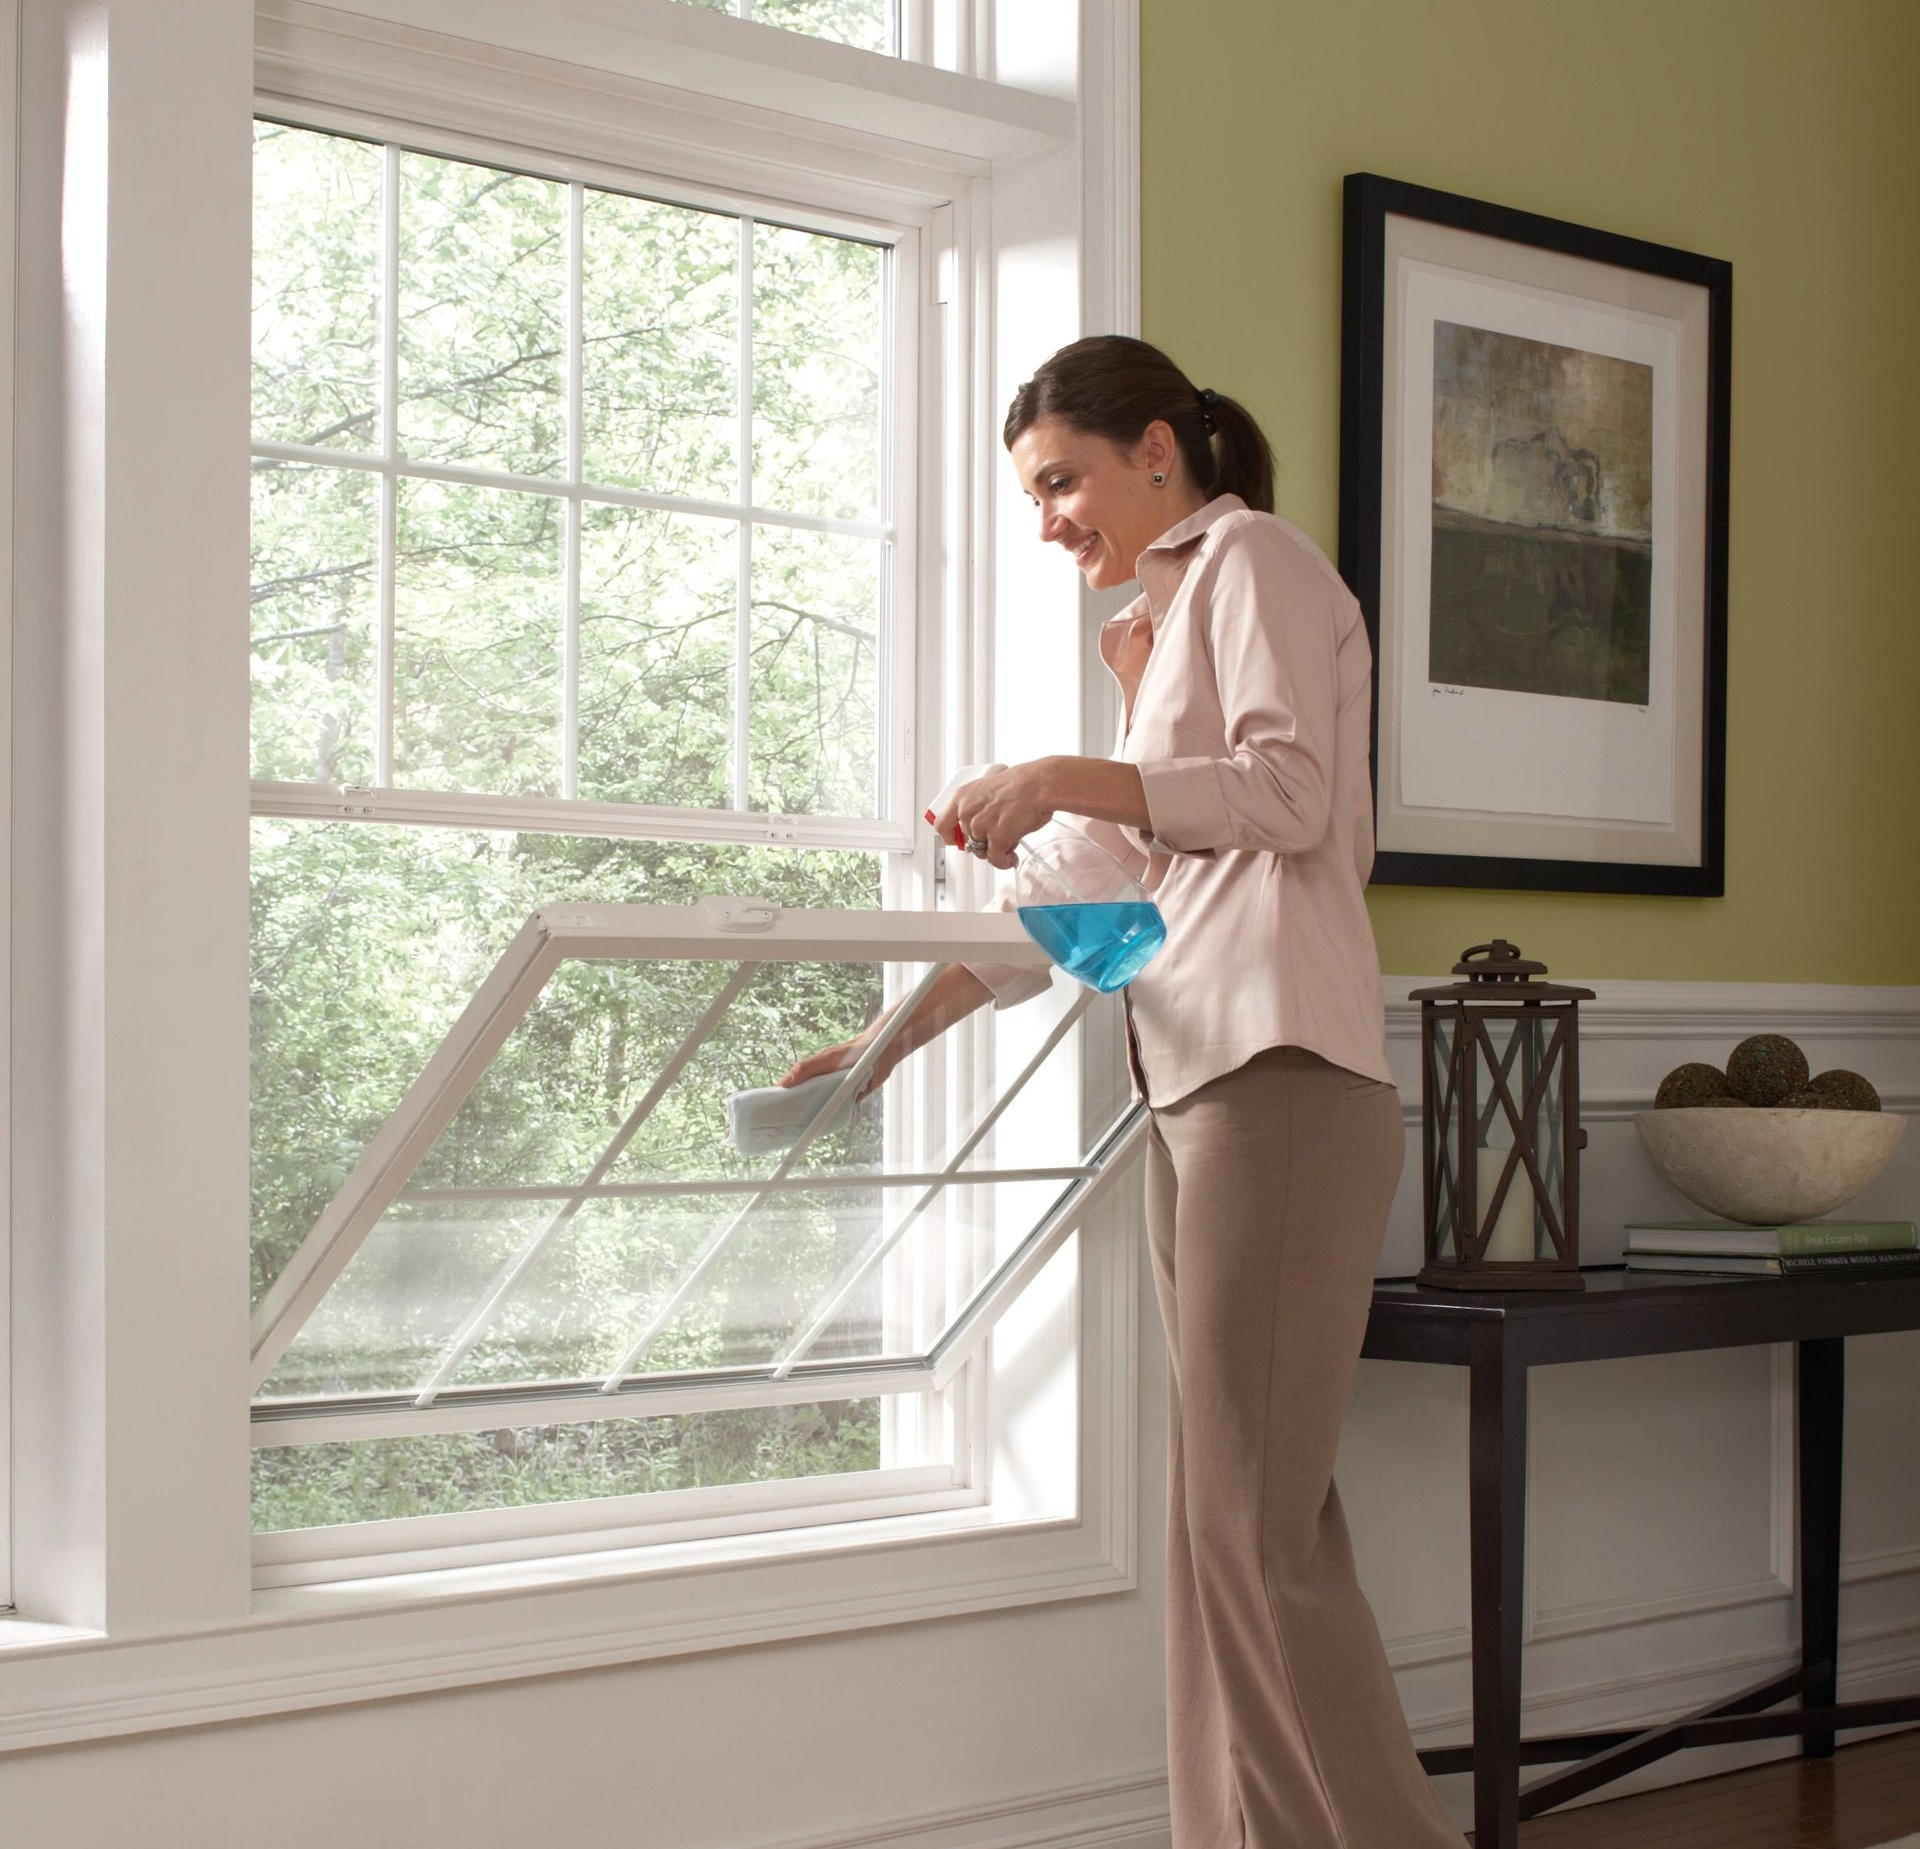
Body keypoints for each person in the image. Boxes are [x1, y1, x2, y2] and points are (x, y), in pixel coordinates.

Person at [780, 334, 1469, 1849]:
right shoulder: (1154, 636)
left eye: (1063, 484)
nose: (1051, 525)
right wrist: (892, 1036)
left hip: (1281, 1078)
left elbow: (1295, 804)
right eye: (1037, 499)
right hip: (1200, 1090)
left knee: (1249, 1529)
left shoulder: (1257, 563)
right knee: (1229, 1519)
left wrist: (1063, 774)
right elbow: (1095, 907)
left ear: (1160, 449)